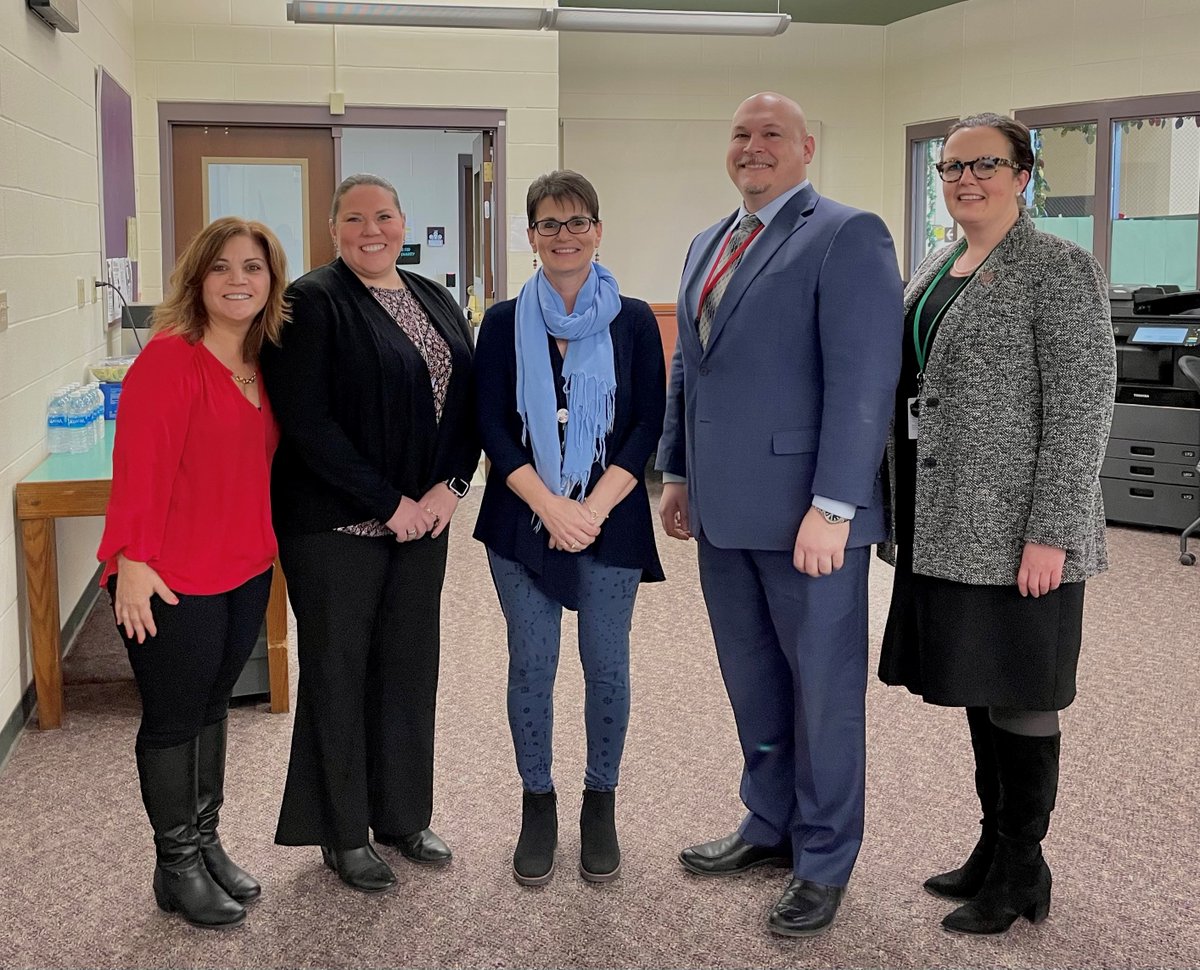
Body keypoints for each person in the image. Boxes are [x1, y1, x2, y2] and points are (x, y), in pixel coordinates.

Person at [656, 92, 903, 938]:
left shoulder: (847, 233)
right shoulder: (708, 242)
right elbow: (690, 366)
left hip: (811, 520)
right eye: (740, 134)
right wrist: (677, 470)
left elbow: (865, 383)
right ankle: (769, 824)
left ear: (805, 149)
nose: (753, 147)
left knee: (822, 694)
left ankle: (825, 856)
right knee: (754, 683)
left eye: (771, 136)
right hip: (722, 515)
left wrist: (835, 506)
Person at [877, 113, 1115, 935]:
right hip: (947, 525)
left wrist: (1052, 530)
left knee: (1020, 698)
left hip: (1019, 534)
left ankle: (1022, 869)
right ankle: (995, 848)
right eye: (950, 167)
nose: (963, 179)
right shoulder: (938, 268)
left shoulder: (1059, 269)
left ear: (1024, 174)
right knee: (980, 692)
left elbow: (1083, 410)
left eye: (984, 164)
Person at [260, 174, 479, 893]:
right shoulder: (311, 302)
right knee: (340, 671)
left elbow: (467, 405)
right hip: (337, 527)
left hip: (425, 522)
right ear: (333, 231)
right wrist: (391, 503)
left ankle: (403, 816)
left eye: (383, 215)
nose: (371, 229)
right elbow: (308, 423)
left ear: (402, 221)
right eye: (354, 218)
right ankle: (343, 832)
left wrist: (450, 489)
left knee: (410, 667)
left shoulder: (434, 296)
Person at [473, 171, 666, 886]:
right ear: (530, 237)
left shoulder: (635, 319)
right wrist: (549, 506)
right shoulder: (500, 323)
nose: (565, 235)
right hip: (520, 517)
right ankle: (538, 800)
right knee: (533, 664)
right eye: (550, 224)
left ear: (599, 231)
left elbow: (647, 421)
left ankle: (599, 800)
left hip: (609, 517)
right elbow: (491, 424)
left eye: (578, 221)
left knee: (607, 665)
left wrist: (591, 507)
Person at [97, 217, 289, 929]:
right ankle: (174, 864)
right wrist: (132, 560)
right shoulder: (171, 360)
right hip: (169, 574)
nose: (239, 280)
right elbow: (138, 470)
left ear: (272, 281)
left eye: (254, 267)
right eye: (222, 267)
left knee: (214, 708)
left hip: (243, 567)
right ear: (197, 278)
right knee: (175, 718)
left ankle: (206, 844)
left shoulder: (265, 361)